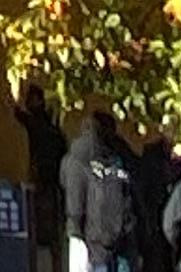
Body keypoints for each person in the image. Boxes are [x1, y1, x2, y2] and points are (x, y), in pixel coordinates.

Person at [62, 111, 141, 272]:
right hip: (116, 242)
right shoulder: (118, 156)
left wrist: (75, 234)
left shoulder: (75, 159)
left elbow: (74, 204)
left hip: (97, 242)